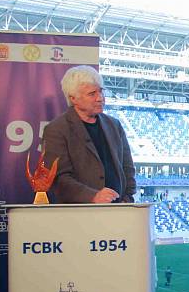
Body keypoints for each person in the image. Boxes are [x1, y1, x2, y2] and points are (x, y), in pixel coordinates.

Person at [42, 65, 136, 204]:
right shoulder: (57, 130)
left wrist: (127, 198)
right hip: (81, 212)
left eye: (101, 91)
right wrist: (93, 196)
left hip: (119, 209)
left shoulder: (114, 125)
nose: (100, 98)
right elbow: (58, 178)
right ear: (73, 98)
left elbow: (127, 168)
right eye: (92, 94)